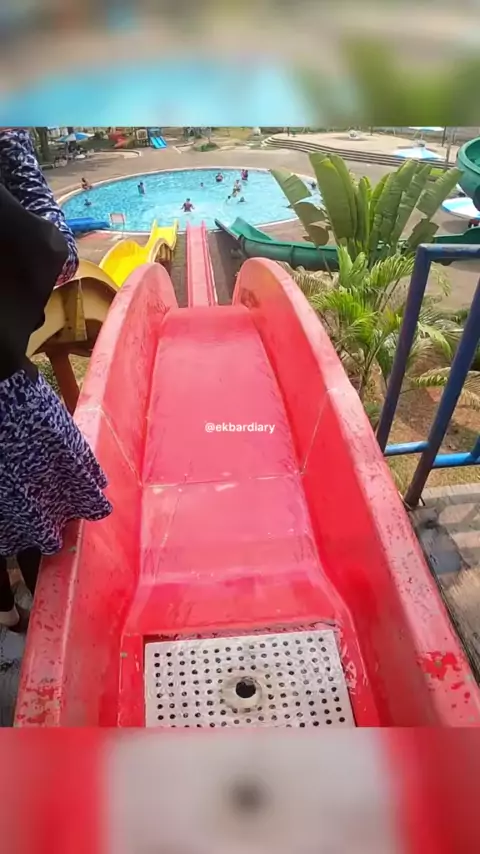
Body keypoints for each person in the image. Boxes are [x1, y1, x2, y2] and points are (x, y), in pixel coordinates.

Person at [0, 128, 112, 631]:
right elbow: (60, 259)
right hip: (7, 408)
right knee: (37, 517)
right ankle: (52, 629)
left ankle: (6, 611)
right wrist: (16, 153)